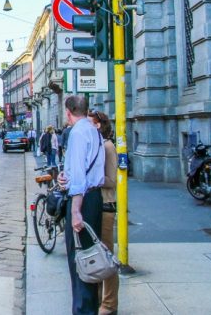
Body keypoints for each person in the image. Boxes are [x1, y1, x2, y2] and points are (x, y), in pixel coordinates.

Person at [57, 96, 105, 315]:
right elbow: (84, 169)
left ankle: (83, 310)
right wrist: (63, 177)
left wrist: (75, 210)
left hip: (82, 201)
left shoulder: (76, 133)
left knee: (80, 261)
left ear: (68, 111)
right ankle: (90, 309)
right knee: (90, 256)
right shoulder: (94, 130)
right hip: (94, 199)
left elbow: (78, 176)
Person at [88, 110, 118, 315]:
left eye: (89, 124)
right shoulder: (96, 146)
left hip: (106, 207)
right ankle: (99, 300)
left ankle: (109, 304)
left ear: (98, 126)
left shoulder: (107, 146)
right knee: (97, 258)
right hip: (95, 206)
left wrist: (90, 178)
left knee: (106, 258)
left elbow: (111, 180)